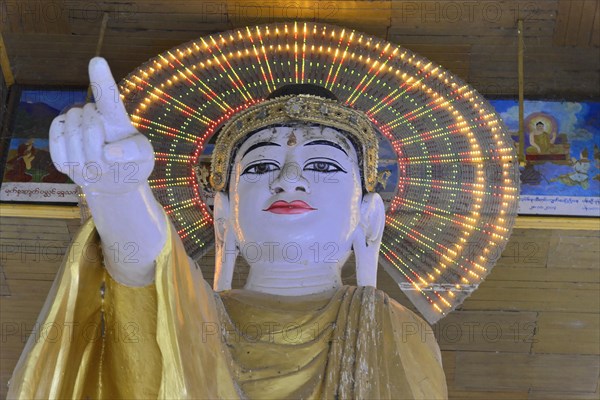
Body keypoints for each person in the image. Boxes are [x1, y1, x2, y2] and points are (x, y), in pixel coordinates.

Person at [8, 58, 447, 399]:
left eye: (322, 164)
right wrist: (119, 194)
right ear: (223, 218)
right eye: (260, 166)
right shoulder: (194, 318)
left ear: (369, 217)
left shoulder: (399, 330)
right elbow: (146, 278)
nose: (289, 178)